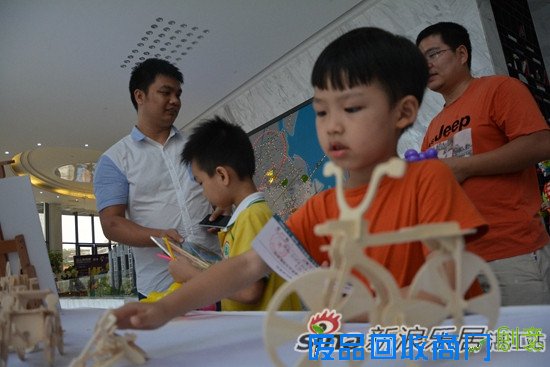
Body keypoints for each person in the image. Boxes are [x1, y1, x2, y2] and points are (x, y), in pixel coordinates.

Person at [113, 27, 487, 330]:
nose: (333, 125)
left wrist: (349, 314)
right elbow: (246, 266)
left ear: (403, 113)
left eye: (352, 108)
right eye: (322, 111)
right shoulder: (321, 209)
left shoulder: (427, 181)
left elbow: (443, 291)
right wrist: (162, 311)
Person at [416, 22, 550, 305]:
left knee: (531, 344)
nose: (426, 65)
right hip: (461, 264)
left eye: (434, 54)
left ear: (462, 54)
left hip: (512, 250)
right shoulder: (433, 127)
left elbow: (540, 143)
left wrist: (465, 167)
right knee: (496, 348)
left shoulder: (500, 89)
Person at [93, 58, 220, 299]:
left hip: (212, 275)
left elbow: (218, 194)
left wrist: (220, 210)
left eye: (178, 94)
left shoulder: (197, 146)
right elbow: (112, 224)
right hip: (161, 286)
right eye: (165, 92)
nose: (175, 100)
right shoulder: (115, 160)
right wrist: (159, 236)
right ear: (139, 96)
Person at [170, 115, 301, 311]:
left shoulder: (251, 217)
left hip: (262, 337)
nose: (203, 192)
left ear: (222, 175)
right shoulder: (251, 214)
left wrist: (190, 274)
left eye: (201, 183)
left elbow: (249, 290)